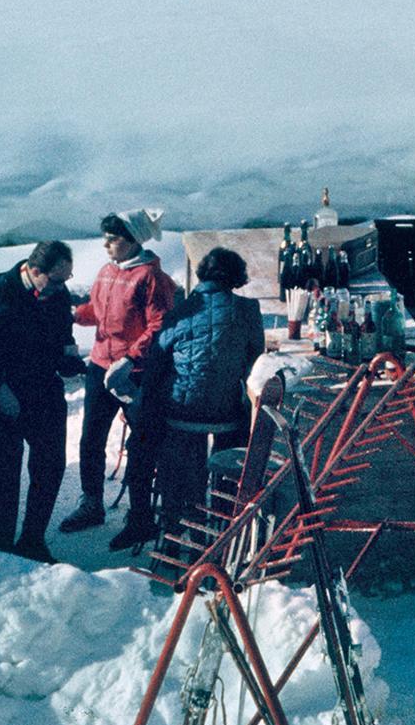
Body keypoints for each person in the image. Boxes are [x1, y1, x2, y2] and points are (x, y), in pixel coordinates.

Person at [0, 238, 82, 563]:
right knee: (5, 473)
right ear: (35, 271)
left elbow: (62, 337)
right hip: (4, 396)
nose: (60, 287)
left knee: (50, 467)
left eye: (65, 280)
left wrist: (68, 359)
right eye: (55, 280)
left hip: (44, 391)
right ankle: (5, 547)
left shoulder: (56, 293)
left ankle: (32, 541)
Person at [60, 209, 175, 549]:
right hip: (100, 365)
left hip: (133, 373)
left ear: (134, 240)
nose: (106, 244)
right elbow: (97, 309)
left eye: (114, 239)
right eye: (105, 237)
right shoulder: (108, 271)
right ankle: (91, 502)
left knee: (140, 445)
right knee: (90, 438)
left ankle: (140, 517)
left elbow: (160, 325)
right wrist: (73, 315)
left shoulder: (152, 278)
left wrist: (131, 358)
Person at [146, 245, 265, 539]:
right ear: (237, 277)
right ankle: (223, 518)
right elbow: (256, 357)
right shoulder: (248, 310)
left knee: (182, 448)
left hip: (181, 411)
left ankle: (183, 520)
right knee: (235, 428)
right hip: (224, 411)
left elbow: (156, 361)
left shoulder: (179, 311)